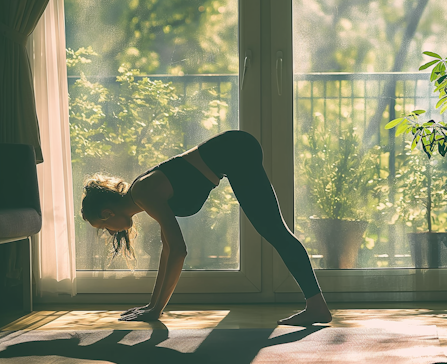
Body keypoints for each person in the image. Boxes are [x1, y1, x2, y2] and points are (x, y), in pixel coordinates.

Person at [81, 130, 332, 326]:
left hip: (237, 151)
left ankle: (317, 306)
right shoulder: (142, 195)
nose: (110, 232)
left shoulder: (144, 192)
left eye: (103, 227)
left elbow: (179, 250)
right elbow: (168, 249)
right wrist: (152, 307)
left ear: (107, 213)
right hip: (236, 149)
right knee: (275, 231)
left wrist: (156, 309)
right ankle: (317, 305)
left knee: (275, 231)